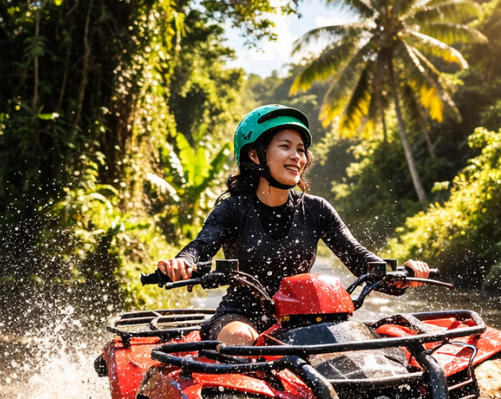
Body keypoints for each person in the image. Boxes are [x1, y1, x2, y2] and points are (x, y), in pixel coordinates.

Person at [156, 105, 430, 346]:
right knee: (240, 338)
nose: (297, 157)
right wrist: (182, 263)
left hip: (307, 317)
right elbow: (199, 247)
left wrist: (400, 276)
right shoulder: (232, 209)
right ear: (255, 155)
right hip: (241, 316)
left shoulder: (316, 209)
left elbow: (360, 259)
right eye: (285, 147)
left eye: (301, 150)